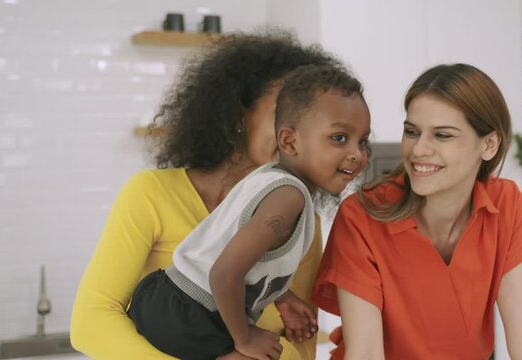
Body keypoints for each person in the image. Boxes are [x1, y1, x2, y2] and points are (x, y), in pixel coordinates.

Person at [70, 30, 345, 360]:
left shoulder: (301, 220)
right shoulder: (151, 194)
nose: (295, 133)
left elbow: (302, 343)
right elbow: (91, 321)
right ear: (238, 115)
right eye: (283, 112)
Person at [312, 63, 522, 359]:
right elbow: (365, 353)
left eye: (442, 135)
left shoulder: (505, 204)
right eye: (412, 132)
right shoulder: (361, 217)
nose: (418, 150)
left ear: (489, 145)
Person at [127, 64, 371, 360]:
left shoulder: (267, 178)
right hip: (193, 315)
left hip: (163, 295)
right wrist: (245, 337)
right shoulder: (289, 197)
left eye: (363, 141)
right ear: (289, 141)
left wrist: (282, 297)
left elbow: (236, 256)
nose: (357, 154)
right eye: (339, 138)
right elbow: (224, 272)